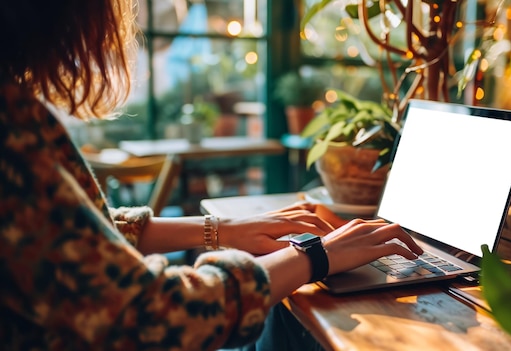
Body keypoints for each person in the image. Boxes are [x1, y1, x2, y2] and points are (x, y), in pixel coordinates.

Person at [0, 0, 424, 350]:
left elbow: (75, 242)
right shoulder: (11, 125)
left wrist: (221, 228)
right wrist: (312, 256)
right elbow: (149, 316)